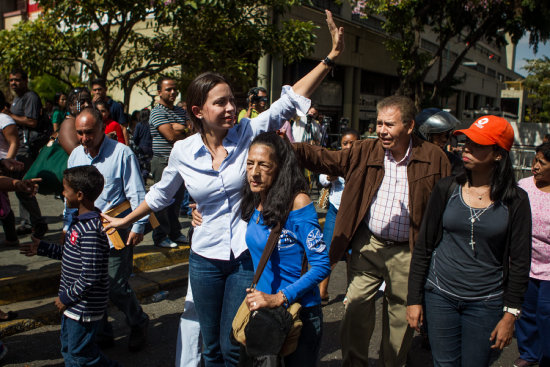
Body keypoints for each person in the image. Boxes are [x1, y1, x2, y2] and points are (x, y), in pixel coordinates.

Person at [101, 10, 343, 367]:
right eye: (221, 102)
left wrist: (329, 59)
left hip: (245, 255)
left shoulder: (248, 133)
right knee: (209, 342)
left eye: (232, 100)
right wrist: (127, 221)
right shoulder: (183, 152)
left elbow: (289, 102)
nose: (232, 108)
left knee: (235, 342)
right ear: (199, 110)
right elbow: (161, 194)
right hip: (204, 258)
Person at [292, 95, 451, 367]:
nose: (381, 130)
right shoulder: (365, 150)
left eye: (389, 124)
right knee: (354, 307)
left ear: (410, 126)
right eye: (378, 123)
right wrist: (290, 148)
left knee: (401, 318)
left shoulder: (434, 158)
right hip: (368, 245)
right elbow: (326, 159)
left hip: (408, 252)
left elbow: (447, 205)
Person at [406, 115, 531, 366]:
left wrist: (510, 315)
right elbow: (424, 247)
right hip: (440, 295)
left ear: (498, 154)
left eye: (478, 144)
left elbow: (519, 261)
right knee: (443, 363)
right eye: (467, 141)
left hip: (486, 302)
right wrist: (414, 299)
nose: (467, 147)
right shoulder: (447, 188)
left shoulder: (516, 200)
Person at [239, 131, 330, 365]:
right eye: (250, 164)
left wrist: (279, 298)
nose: (255, 173)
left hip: (298, 312)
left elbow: (321, 265)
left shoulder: (298, 202)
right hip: (263, 313)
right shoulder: (255, 198)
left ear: (279, 167)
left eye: (264, 165)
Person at [67, 108, 150, 352]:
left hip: (116, 231)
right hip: (84, 233)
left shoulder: (121, 154)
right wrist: (65, 226)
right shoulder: (75, 156)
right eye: (80, 133)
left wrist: (138, 226)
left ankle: (138, 321)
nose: (84, 138)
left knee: (115, 285)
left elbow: (136, 192)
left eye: (89, 132)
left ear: (103, 128)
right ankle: (102, 332)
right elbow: (69, 197)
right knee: (92, 285)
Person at [20, 166, 120, 366]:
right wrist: (43, 248)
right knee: (70, 348)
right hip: (75, 304)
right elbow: (70, 254)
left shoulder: (90, 230)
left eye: (65, 189)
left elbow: (90, 275)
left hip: (83, 306)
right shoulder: (78, 222)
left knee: (79, 355)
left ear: (79, 195)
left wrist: (66, 297)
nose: (62, 193)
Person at [514, 142, 550, 367]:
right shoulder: (523, 186)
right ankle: (528, 353)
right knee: (525, 312)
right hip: (526, 263)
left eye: (542, 163)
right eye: (535, 160)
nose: (534, 166)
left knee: (546, 313)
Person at [317, 128, 359, 304]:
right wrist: (330, 177)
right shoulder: (334, 158)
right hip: (335, 212)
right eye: (345, 143)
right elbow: (321, 178)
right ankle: (322, 292)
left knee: (352, 254)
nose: (348, 146)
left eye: (352, 143)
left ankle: (352, 292)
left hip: (355, 215)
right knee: (328, 251)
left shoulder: (363, 161)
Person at [7, 68, 49, 238]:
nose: (13, 83)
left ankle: (38, 222)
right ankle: (28, 222)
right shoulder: (17, 99)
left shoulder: (30, 97)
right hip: (20, 149)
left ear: (25, 81)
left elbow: (31, 121)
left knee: (23, 187)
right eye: (11, 80)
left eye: (16, 80)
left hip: (26, 149)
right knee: (20, 187)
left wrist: (9, 115)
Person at [149, 77, 189, 248]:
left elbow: (192, 130)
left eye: (175, 89)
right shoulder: (157, 112)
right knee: (162, 201)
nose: (173, 92)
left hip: (180, 162)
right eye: (168, 89)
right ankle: (160, 235)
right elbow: (171, 136)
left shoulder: (181, 111)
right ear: (159, 92)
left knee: (177, 200)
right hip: (163, 162)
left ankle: (175, 232)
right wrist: (180, 129)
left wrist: (180, 127)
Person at [414, 108, 462, 175]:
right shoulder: (409, 159)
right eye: (438, 135)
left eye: (446, 135)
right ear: (424, 135)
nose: (444, 139)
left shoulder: (452, 161)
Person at [0, 90, 21, 246]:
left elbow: (14, 142)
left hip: (3, 166)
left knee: (3, 204)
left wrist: (8, 161)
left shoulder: (4, 119)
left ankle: (11, 237)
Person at [90, 78, 129, 144]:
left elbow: (123, 128)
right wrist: (92, 105)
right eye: (95, 90)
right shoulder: (90, 106)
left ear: (105, 89)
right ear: (92, 91)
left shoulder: (116, 106)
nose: (97, 92)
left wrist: (127, 146)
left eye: (99, 89)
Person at [58, 87, 93, 155]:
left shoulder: (83, 122)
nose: (87, 105)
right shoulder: (68, 124)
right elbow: (76, 154)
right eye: (82, 102)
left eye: (89, 101)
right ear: (71, 105)